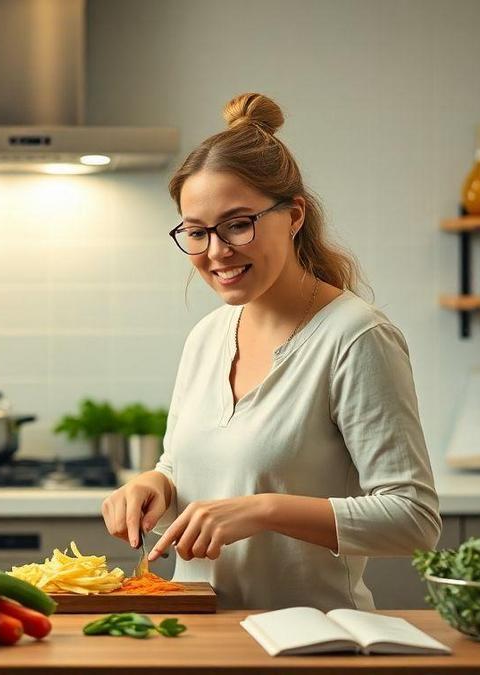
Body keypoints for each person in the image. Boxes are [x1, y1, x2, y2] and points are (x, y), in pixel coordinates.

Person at [100, 93, 441, 611]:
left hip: (315, 646)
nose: (216, 251)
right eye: (196, 232)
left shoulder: (355, 337)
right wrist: (156, 485)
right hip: (203, 642)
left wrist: (264, 511)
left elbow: (413, 519)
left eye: (238, 224)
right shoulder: (207, 336)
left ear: (294, 215)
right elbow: (184, 464)